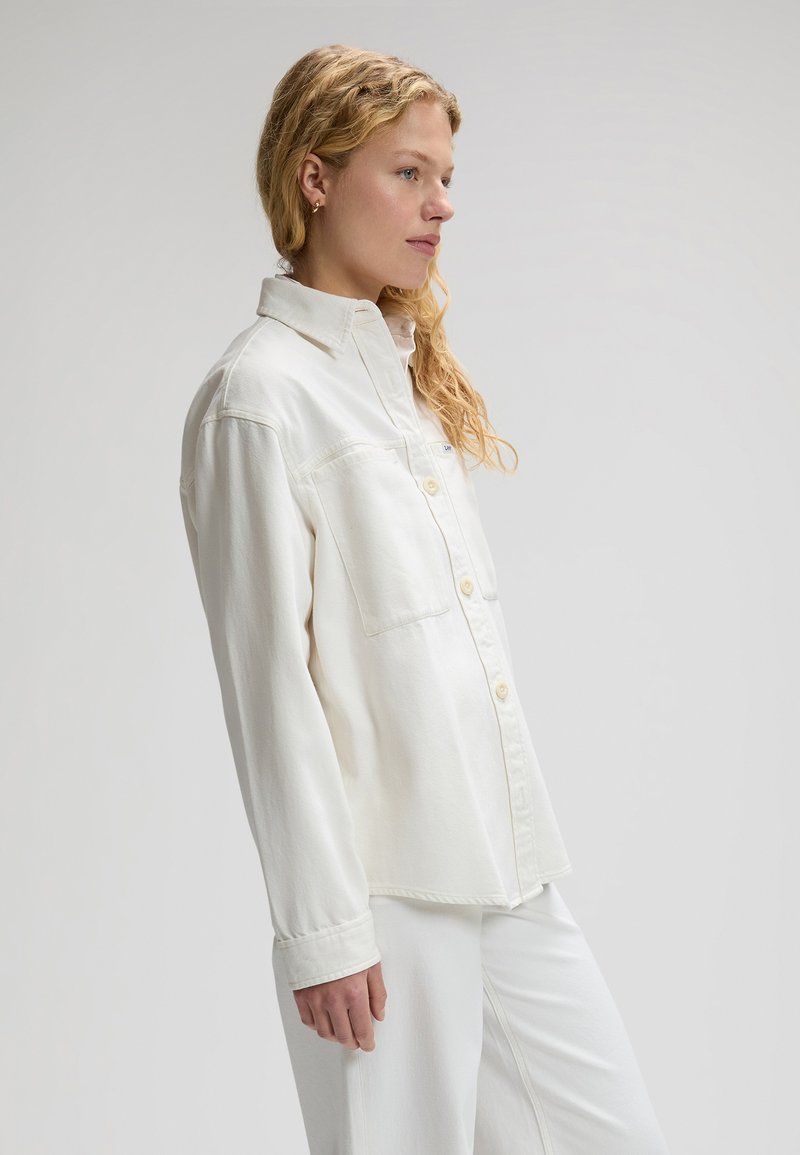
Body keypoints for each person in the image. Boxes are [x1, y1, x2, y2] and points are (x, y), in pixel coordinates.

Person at [178, 43, 671, 1155]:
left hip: (505, 869)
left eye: (444, 177)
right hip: (382, 900)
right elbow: (269, 687)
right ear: (315, 178)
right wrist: (324, 930)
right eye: (408, 173)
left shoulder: (400, 387)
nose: (440, 204)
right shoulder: (259, 398)